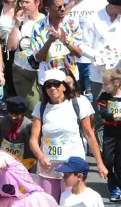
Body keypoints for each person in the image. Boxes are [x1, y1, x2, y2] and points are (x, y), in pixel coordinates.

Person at [29, 67, 107, 199]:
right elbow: (33, 139)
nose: (52, 88)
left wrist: (100, 163)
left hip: (72, 164)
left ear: (64, 86)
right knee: (50, 206)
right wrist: (40, 156)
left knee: (71, 205)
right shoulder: (40, 107)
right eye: (48, 85)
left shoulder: (78, 102)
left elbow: (89, 134)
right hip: (48, 165)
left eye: (56, 84)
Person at [96, 68, 121, 201]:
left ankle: (117, 187)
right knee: (108, 160)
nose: (104, 86)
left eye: (106, 84)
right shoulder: (104, 97)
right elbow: (104, 114)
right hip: (109, 133)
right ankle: (112, 182)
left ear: (116, 84)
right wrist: (120, 115)